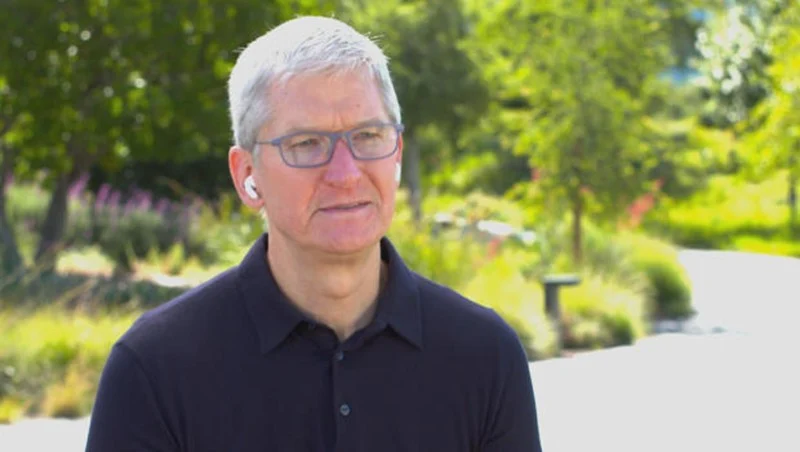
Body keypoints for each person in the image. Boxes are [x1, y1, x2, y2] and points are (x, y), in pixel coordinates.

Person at [84, 15, 543, 452]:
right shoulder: (156, 369)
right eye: (306, 144)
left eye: (368, 136)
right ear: (247, 174)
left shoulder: (485, 356)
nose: (346, 174)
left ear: (397, 153)